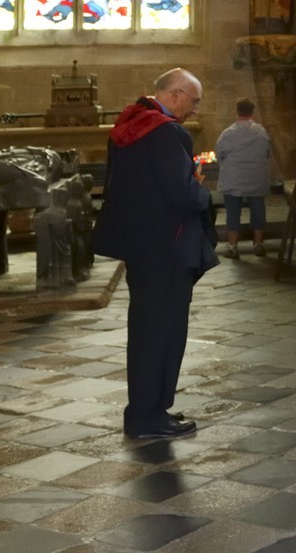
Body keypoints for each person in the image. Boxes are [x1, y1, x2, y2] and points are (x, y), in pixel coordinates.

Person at [93, 68, 216, 439]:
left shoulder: (128, 127)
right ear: (175, 95)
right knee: (163, 332)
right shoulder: (165, 131)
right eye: (194, 102)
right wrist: (200, 189)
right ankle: (148, 416)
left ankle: (146, 411)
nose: (195, 110)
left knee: (146, 330)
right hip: (169, 248)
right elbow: (183, 195)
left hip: (141, 247)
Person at [214, 98, 271, 259]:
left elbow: (220, 154)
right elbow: (266, 153)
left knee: (232, 213)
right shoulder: (261, 132)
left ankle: (233, 247)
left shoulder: (228, 133)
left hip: (233, 179)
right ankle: (258, 244)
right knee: (258, 211)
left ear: (237, 111)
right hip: (256, 178)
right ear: (252, 112)